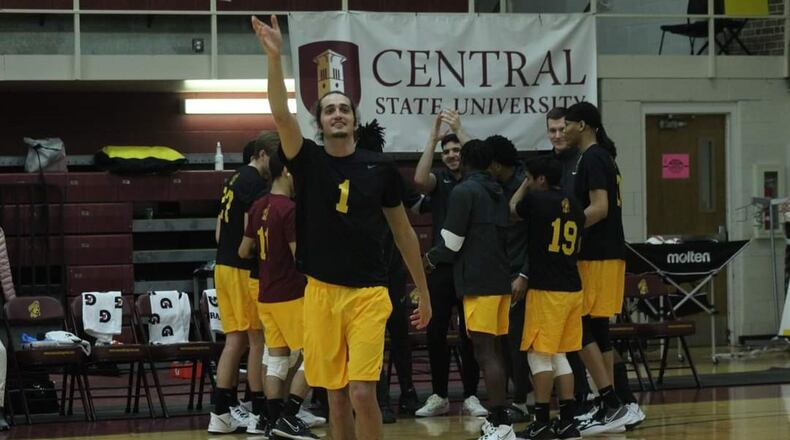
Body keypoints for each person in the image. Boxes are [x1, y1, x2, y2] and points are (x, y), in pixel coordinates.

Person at [252, 15, 431, 440]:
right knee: (333, 396)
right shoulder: (308, 160)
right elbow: (280, 115)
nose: (338, 113)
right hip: (320, 294)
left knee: (362, 392)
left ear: (354, 118)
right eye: (329, 109)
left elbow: (405, 233)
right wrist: (275, 58)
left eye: (344, 108)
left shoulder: (380, 168)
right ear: (320, 120)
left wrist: (422, 290)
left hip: (369, 294)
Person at [424, 139, 514, 440]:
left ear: (464, 161)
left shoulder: (464, 191)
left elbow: (451, 242)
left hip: (478, 281)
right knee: (495, 350)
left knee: (484, 351)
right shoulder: (499, 191)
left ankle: (500, 423)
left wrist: (428, 259)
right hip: (500, 280)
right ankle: (501, 420)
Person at [239, 152, 319, 439]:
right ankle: (289, 415)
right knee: (316, 354)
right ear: (286, 172)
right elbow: (301, 257)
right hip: (291, 293)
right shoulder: (289, 209)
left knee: (276, 359)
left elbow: (242, 250)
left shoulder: (259, 204)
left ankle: (273, 421)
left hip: (266, 294)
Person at [562, 102, 629, 436]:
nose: (563, 130)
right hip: (606, 254)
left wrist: (564, 226)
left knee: (580, 326)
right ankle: (611, 405)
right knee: (598, 330)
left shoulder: (593, 157)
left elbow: (599, 208)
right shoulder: (599, 156)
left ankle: (610, 401)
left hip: (597, 254)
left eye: (568, 124)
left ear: (584, 126)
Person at [413, 111, 485, 418]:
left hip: (471, 267)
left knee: (471, 334)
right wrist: (433, 138)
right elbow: (418, 179)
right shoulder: (439, 181)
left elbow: (484, 158)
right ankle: (440, 395)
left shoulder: (477, 177)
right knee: (436, 333)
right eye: (448, 152)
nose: (453, 155)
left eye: (457, 150)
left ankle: (471, 395)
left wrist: (458, 129)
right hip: (441, 268)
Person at [509, 156, 585, 440]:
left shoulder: (537, 200)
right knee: (561, 355)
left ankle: (541, 421)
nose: (528, 181)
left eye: (530, 177)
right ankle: (567, 420)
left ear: (540, 179)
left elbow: (511, 210)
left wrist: (524, 186)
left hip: (547, 290)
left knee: (538, 355)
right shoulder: (575, 205)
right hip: (572, 287)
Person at [354, 121, 423, 423]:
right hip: (394, 265)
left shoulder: (352, 172)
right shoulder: (388, 170)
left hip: (366, 267)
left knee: (374, 337)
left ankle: (382, 400)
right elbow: (419, 204)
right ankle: (408, 393)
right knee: (399, 333)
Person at [208, 135, 276, 434]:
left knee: (235, 340)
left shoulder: (233, 179)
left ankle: (221, 412)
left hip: (222, 266)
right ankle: (259, 411)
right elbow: (253, 235)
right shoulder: (255, 184)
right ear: (263, 155)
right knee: (256, 339)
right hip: (241, 269)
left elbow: (219, 232)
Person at [485, 134, 533, 421]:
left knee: (518, 342)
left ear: (496, 164)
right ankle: (514, 399)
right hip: (501, 274)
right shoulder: (500, 184)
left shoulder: (526, 186)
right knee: (504, 342)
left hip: (521, 275)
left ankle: (524, 401)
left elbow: (535, 238)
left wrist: (525, 273)